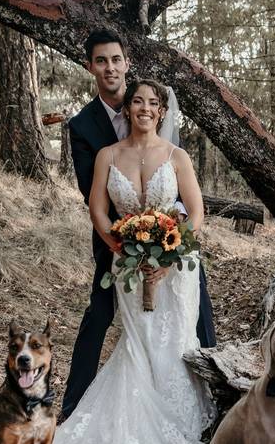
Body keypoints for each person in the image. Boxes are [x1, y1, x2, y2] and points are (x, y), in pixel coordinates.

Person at [34, 77, 215, 444]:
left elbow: (195, 213)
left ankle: (177, 431)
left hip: (174, 275)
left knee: (173, 346)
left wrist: (170, 259)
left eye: (153, 103)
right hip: (129, 269)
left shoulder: (178, 157)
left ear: (162, 111)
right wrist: (116, 245)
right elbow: (97, 207)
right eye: (138, 101)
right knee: (136, 347)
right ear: (128, 108)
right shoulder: (106, 156)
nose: (145, 108)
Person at [61, 29, 216, 423]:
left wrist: (169, 236)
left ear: (126, 63)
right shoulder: (83, 127)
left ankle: (214, 394)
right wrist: (125, 243)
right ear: (90, 67)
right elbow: (92, 196)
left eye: (116, 59)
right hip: (117, 240)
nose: (110, 67)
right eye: (101, 61)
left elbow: (185, 196)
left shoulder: (164, 132)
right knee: (99, 314)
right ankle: (74, 405)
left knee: (196, 309)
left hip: (170, 239)